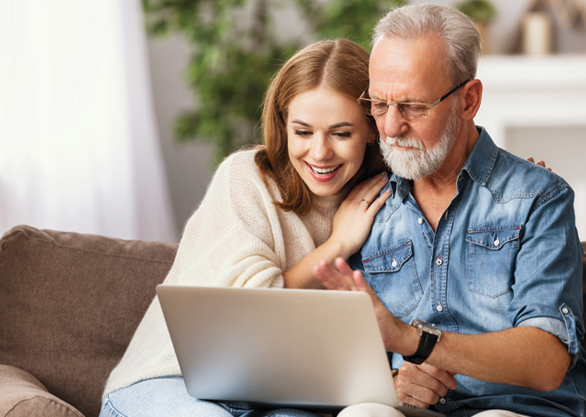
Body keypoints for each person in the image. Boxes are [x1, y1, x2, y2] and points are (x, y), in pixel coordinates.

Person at [313, 4, 586, 417]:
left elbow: (548, 360)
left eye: (412, 106)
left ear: (469, 100)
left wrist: (415, 341)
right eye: (378, 104)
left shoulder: (537, 198)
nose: (390, 128)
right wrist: (391, 382)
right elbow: (341, 352)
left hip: (520, 410)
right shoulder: (363, 210)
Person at [99, 38, 394, 417]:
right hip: (170, 382)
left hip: (285, 394)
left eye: (341, 133)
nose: (319, 153)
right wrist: (338, 244)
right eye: (303, 132)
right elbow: (254, 308)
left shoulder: (384, 197)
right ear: (283, 125)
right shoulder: (245, 177)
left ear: (372, 129)